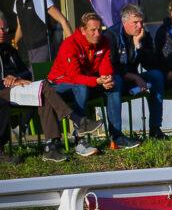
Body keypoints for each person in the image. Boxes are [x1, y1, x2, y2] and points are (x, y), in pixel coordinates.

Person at [0, 12, 102, 162]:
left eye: (5, 28)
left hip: (17, 90)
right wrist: (6, 81)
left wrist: (17, 78)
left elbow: (27, 74)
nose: (3, 32)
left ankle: (51, 147)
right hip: (2, 92)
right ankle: (78, 120)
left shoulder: (10, 50)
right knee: (45, 87)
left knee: (43, 91)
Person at [47, 12, 123, 157]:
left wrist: (107, 78)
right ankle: (79, 140)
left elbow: (105, 65)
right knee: (80, 87)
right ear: (82, 30)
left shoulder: (104, 41)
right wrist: (97, 81)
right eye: (93, 30)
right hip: (60, 85)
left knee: (116, 81)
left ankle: (117, 137)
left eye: (100, 29)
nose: (97, 34)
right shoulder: (70, 44)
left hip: (87, 82)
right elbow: (74, 77)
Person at [104, 3, 166, 144]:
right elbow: (111, 67)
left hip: (133, 79)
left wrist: (138, 45)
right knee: (116, 80)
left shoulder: (143, 34)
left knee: (156, 75)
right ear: (125, 22)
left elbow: (150, 64)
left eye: (141, 22)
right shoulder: (110, 36)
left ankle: (155, 129)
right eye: (135, 22)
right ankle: (116, 136)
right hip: (116, 79)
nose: (140, 26)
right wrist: (133, 76)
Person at [11, 0, 73, 64]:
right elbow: (20, 27)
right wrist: (14, 42)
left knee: (38, 77)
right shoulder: (17, 2)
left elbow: (63, 20)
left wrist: (71, 45)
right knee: (33, 77)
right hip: (29, 49)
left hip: (43, 47)